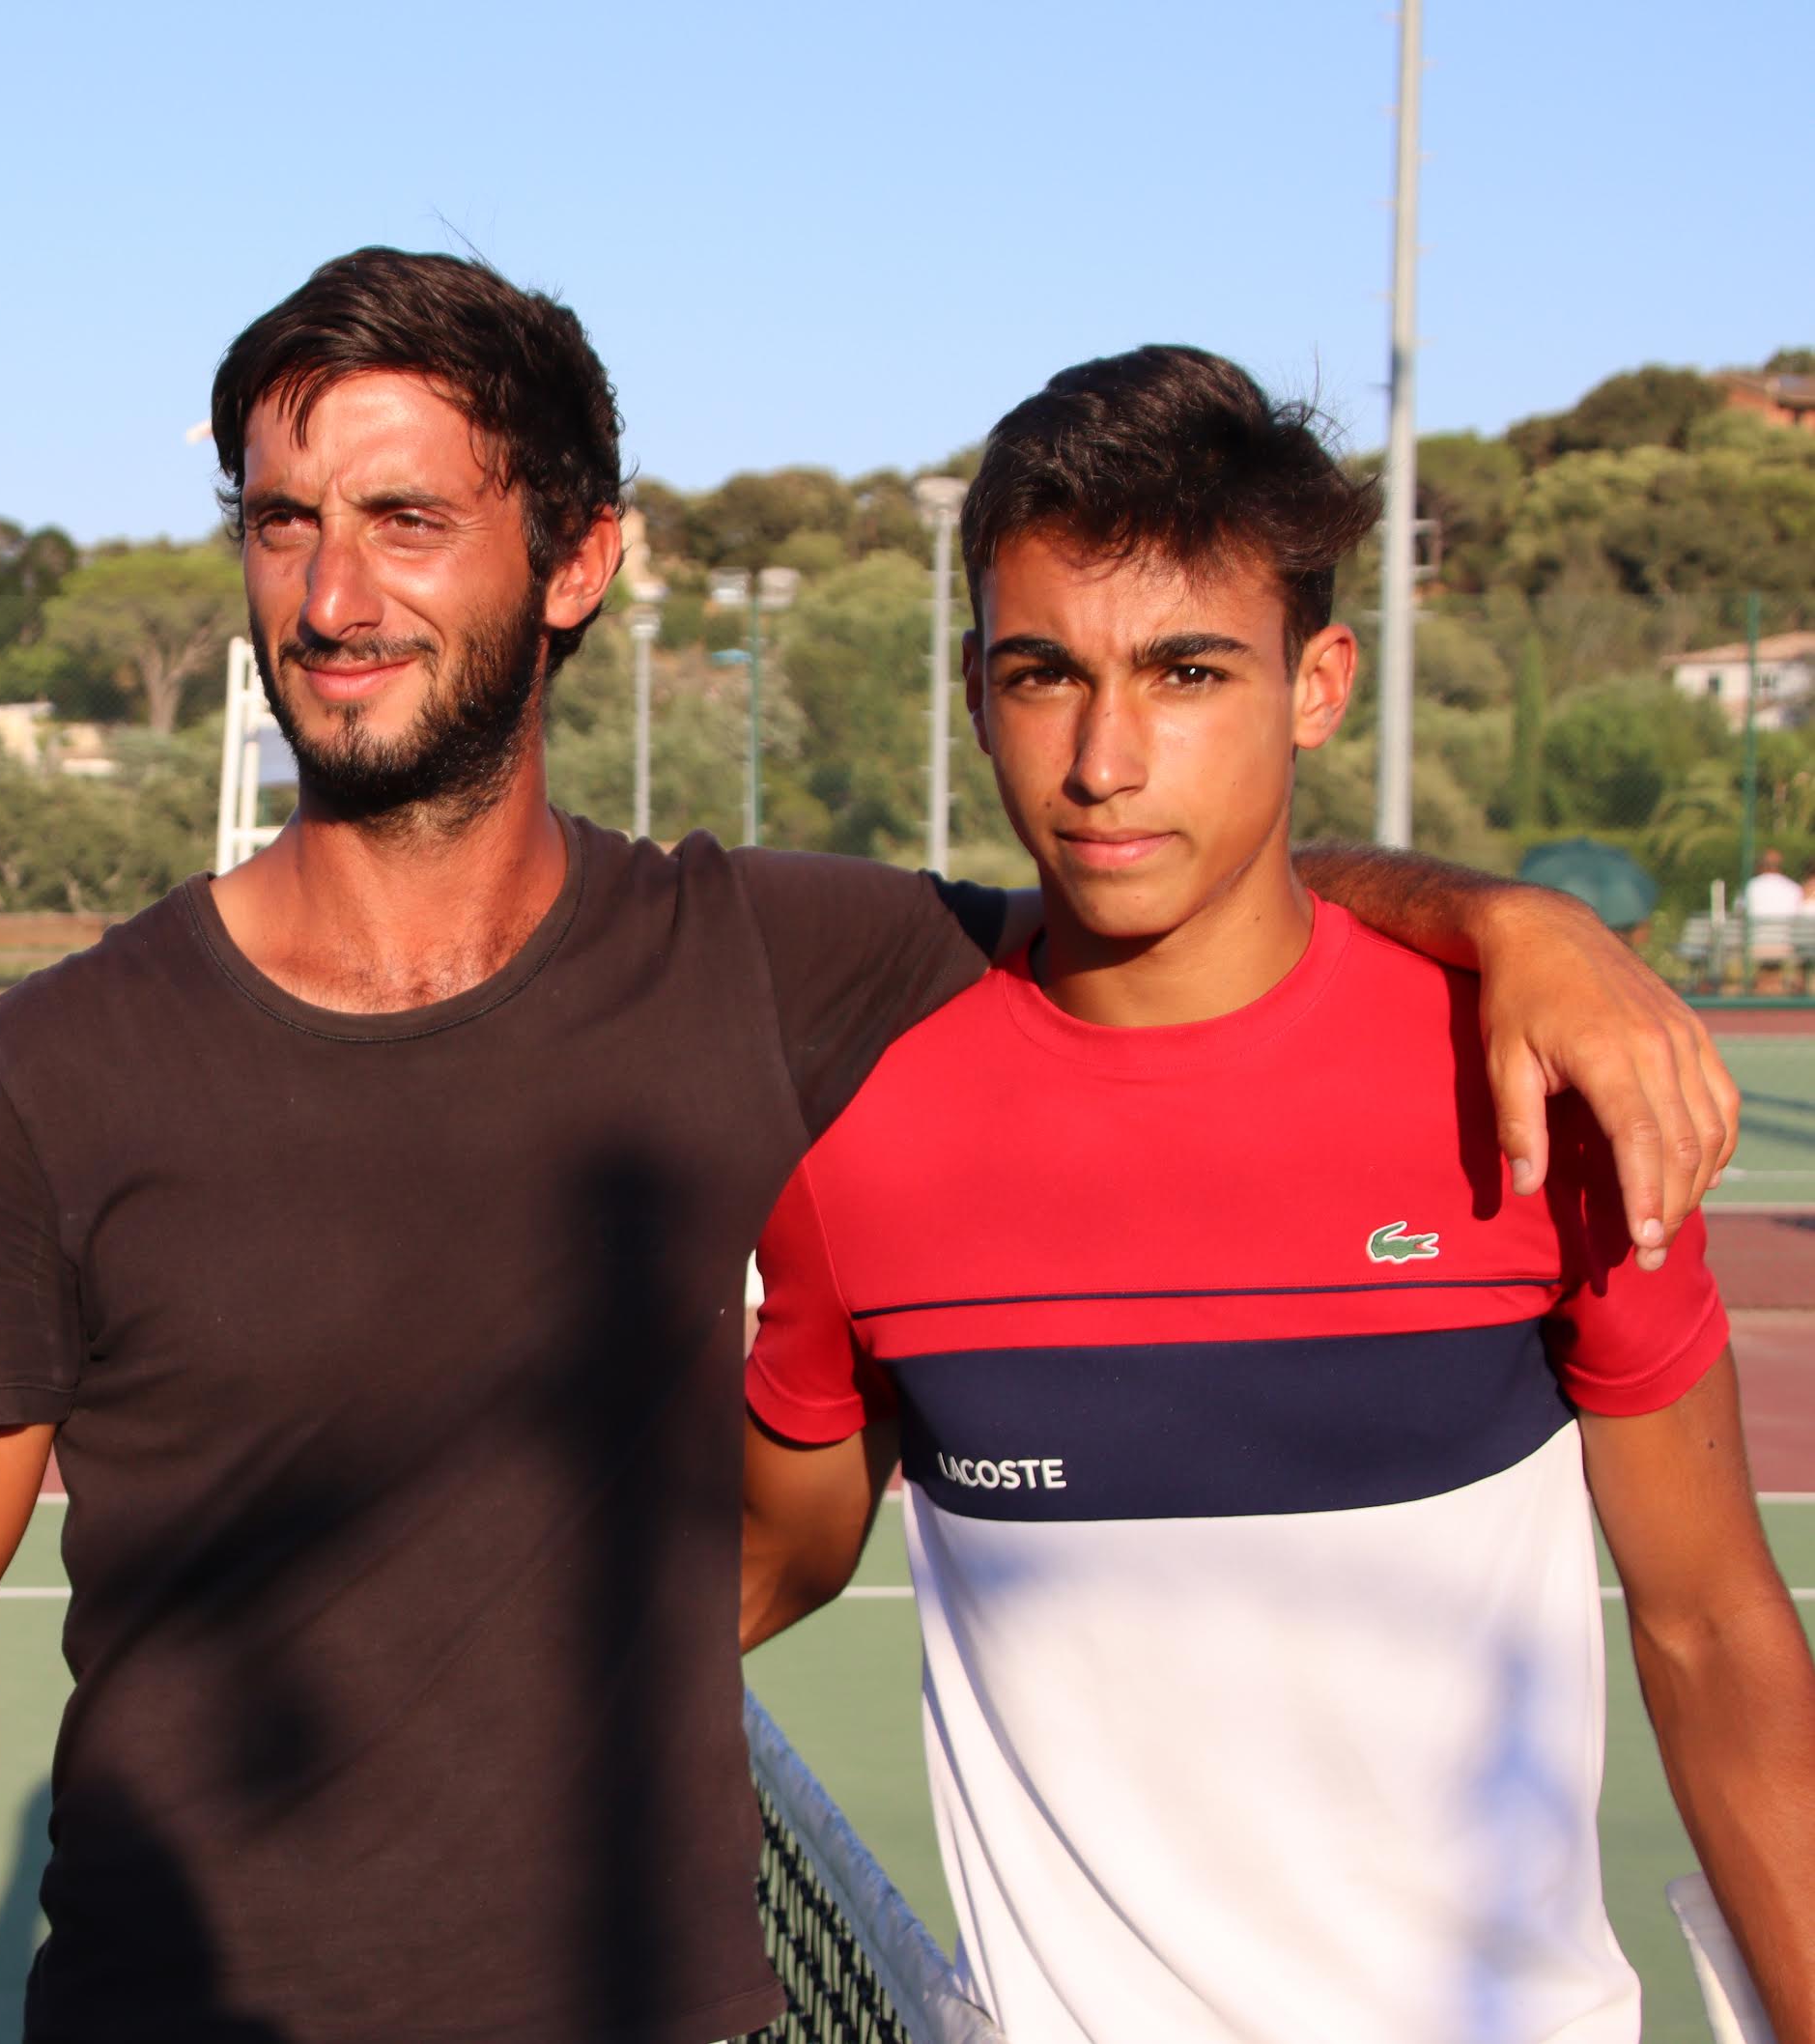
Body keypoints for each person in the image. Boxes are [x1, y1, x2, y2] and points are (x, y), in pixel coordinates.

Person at [0, 254, 1741, 2044]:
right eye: (281, 520)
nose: (330, 597)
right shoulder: (50, 1075)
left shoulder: (764, 962)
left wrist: (1511, 921)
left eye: (405, 520)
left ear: (577, 562)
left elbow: (1168, 885)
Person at [739, 347, 1814, 2044]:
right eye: (1041, 674)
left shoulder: (1541, 1088)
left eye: (1185, 672)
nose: (1104, 759)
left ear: (1315, 684)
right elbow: (763, 1555)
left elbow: (1709, 1629)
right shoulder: (856, 1130)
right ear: (972, 692)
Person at [1747, 849, 1803, 994]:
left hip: (1753, 945)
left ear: (1760, 866)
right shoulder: (1794, 888)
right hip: (1787, 945)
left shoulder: (1749, 887)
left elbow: (1739, 913)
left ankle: (1765, 986)